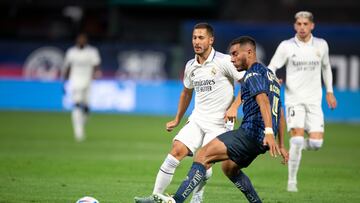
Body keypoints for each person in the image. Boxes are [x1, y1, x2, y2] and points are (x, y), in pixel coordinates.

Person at [151, 36, 289, 203]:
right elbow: (279, 110)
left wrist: (267, 131)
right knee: (229, 168)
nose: (232, 59)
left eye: (236, 54)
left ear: (250, 52)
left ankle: (177, 200)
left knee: (203, 155)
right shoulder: (271, 76)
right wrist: (280, 143)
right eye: (231, 55)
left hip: (252, 133)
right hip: (264, 140)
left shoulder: (253, 74)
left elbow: (264, 101)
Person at [134, 23, 244, 203]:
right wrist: (177, 118)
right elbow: (186, 92)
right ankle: (155, 196)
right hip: (198, 119)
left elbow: (247, 82)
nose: (197, 42)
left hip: (220, 123)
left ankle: (198, 196)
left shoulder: (224, 61)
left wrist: (234, 107)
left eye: (201, 38)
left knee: (204, 161)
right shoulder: (190, 65)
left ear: (211, 40)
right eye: (194, 38)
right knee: (176, 151)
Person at [268, 11, 337, 192]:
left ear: (312, 26)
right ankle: (292, 182)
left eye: (305, 24)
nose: (302, 27)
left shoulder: (321, 45)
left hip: (314, 100)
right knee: (297, 139)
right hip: (294, 100)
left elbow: (326, 67)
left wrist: (329, 92)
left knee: (315, 144)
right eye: (299, 24)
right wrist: (274, 79)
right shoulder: (287, 46)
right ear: (294, 26)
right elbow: (272, 67)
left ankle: (295, 149)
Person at [62, 33, 101, 142]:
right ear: (76, 40)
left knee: (87, 108)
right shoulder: (71, 52)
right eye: (80, 39)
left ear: (86, 40)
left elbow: (96, 65)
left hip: (88, 82)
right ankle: (78, 132)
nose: (81, 41)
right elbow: (67, 67)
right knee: (77, 105)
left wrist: (96, 73)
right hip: (75, 82)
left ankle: (81, 125)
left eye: (83, 39)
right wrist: (64, 82)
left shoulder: (92, 52)